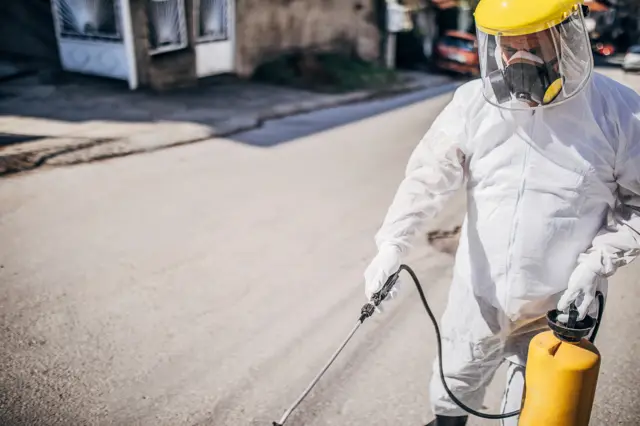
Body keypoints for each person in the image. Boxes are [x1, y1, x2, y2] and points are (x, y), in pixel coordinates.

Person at [363, 0, 640, 425]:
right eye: (510, 47)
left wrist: (595, 267)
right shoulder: (474, 103)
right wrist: (391, 244)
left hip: (560, 306)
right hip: (479, 295)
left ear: (564, 39)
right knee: (452, 395)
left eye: (533, 43)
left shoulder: (619, 111)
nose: (519, 58)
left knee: (540, 416)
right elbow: (426, 179)